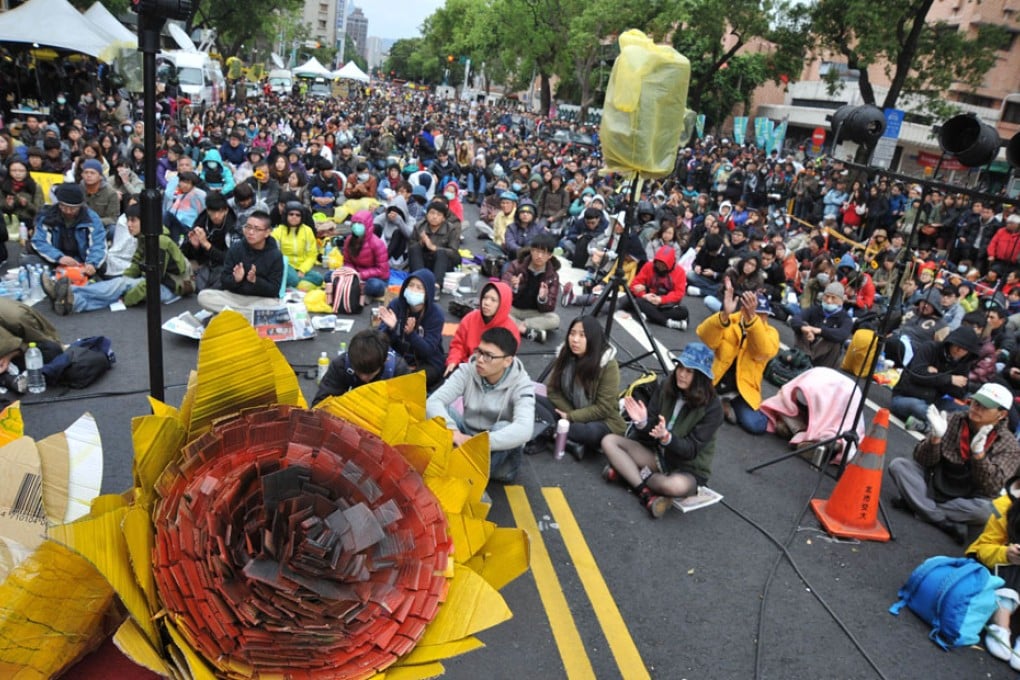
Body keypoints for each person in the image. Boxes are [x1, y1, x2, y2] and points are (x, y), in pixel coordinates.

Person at [600, 342, 724, 518]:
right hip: (658, 455)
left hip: (687, 468)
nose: (681, 374)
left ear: (701, 377)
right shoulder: (667, 385)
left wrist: (666, 437)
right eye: (680, 367)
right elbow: (650, 428)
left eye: (689, 372)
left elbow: (691, 450)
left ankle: (628, 473)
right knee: (609, 441)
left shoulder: (713, 408)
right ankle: (644, 491)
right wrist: (642, 422)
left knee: (672, 486)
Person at [888, 382, 1020, 544]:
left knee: (989, 511)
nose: (977, 408)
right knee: (899, 465)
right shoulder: (954, 419)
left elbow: (992, 487)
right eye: (976, 402)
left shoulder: (1009, 445)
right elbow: (922, 460)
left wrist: (978, 455)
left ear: (1002, 414)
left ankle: (918, 506)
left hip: (968, 498)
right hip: (935, 482)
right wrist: (934, 439)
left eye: (985, 407)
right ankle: (942, 521)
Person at [426, 327, 535, 484]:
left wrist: (479, 443)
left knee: (503, 426)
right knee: (439, 410)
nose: (480, 359)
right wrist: (454, 432)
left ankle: (466, 476)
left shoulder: (522, 384)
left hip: (498, 456)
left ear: (507, 361)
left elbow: (524, 429)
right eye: (479, 351)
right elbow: (433, 402)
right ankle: (460, 468)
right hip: (467, 436)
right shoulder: (468, 370)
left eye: (489, 356)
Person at [697, 283, 780, 433]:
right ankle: (719, 403)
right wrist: (723, 314)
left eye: (763, 314)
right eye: (756, 313)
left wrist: (752, 322)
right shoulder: (730, 321)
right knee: (691, 402)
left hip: (742, 390)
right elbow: (706, 338)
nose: (760, 318)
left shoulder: (770, 333)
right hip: (716, 380)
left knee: (756, 425)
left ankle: (723, 403)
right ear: (742, 310)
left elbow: (762, 352)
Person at [541, 316, 626, 460]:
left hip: (601, 420)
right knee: (531, 400)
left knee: (590, 432)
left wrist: (571, 417)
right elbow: (553, 390)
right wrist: (569, 413)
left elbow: (603, 408)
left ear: (592, 338)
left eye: (582, 335)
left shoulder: (608, 365)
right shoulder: (565, 353)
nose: (575, 340)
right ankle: (566, 440)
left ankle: (547, 431)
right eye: (572, 333)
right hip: (569, 409)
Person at [966, 474, 1020, 668]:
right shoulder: (1004, 505)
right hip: (992, 567)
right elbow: (982, 549)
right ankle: (1001, 627)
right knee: (1014, 563)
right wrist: (1006, 553)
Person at [891, 325, 983, 432]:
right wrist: (948, 379)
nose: (959, 351)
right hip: (906, 397)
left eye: (964, 350)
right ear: (950, 343)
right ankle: (938, 427)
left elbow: (960, 391)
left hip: (934, 402)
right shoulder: (930, 348)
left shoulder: (963, 363)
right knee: (919, 407)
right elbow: (916, 374)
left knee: (965, 412)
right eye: (957, 346)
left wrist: (936, 376)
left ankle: (928, 426)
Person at [196, 210, 284, 314]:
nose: (250, 232)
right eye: (248, 227)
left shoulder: (275, 255)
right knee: (203, 296)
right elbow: (224, 280)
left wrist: (256, 280)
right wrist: (235, 279)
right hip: (234, 297)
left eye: (257, 229)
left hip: (260, 299)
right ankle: (248, 316)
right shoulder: (236, 248)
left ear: (267, 232)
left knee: (274, 305)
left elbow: (274, 290)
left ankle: (231, 314)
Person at [378, 269, 445, 390]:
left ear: (428, 292)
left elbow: (428, 350)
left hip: (427, 361)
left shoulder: (436, 314)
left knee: (413, 381)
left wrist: (411, 334)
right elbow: (380, 340)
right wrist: (393, 328)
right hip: (398, 357)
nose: (414, 290)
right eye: (411, 285)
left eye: (419, 287)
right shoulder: (396, 304)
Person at [311, 329, 411, 406]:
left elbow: (411, 411)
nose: (363, 378)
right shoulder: (341, 365)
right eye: (359, 372)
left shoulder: (399, 371)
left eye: (370, 374)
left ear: (385, 361)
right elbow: (320, 404)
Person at [445, 281, 519, 376]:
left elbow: (503, 362)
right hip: (465, 366)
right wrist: (453, 361)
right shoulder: (470, 318)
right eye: (485, 297)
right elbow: (458, 345)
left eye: (493, 300)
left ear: (503, 303)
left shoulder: (511, 330)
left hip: (492, 374)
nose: (486, 303)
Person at [32, 182, 106, 276]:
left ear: (80, 206)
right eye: (63, 207)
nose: (68, 211)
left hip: (81, 260)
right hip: (55, 259)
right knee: (29, 260)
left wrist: (92, 263)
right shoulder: (47, 216)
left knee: (102, 266)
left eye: (73, 208)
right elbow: (39, 241)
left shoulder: (91, 218)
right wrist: (59, 257)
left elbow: (98, 244)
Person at [502, 233, 561, 343]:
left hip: (533, 313)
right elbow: (502, 291)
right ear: (531, 251)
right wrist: (514, 287)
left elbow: (550, 307)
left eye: (544, 253)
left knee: (554, 319)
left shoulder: (553, 276)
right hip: (513, 308)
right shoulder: (517, 265)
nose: (539, 256)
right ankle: (526, 330)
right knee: (496, 308)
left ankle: (518, 326)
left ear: (550, 256)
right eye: (537, 251)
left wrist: (543, 298)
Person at [790, 281, 854, 368]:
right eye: (827, 296)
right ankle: (805, 358)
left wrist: (819, 331)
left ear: (841, 301)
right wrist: (806, 329)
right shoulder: (815, 309)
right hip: (808, 347)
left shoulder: (845, 318)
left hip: (826, 360)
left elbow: (843, 334)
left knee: (834, 339)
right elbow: (795, 319)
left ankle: (806, 359)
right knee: (802, 326)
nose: (829, 301)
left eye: (833, 298)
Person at [408, 200, 461, 300]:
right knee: (415, 248)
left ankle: (435, 287)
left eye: (438, 214)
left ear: (444, 218)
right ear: (427, 214)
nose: (434, 217)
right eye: (432, 213)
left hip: (442, 264)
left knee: (441, 252)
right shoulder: (419, 226)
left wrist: (434, 248)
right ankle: (420, 282)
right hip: (423, 262)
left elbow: (454, 253)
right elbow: (410, 247)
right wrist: (422, 243)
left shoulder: (451, 229)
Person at [629, 244, 689, 330]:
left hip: (666, 304)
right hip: (649, 300)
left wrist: (662, 300)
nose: (660, 267)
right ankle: (667, 322)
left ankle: (649, 315)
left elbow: (679, 293)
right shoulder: (649, 266)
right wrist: (644, 295)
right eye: (658, 263)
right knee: (638, 301)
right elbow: (634, 285)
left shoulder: (680, 272)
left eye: (663, 265)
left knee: (683, 312)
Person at [271, 201, 323, 290]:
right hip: (284, 266)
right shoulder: (277, 231)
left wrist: (303, 269)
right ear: (286, 215)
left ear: (302, 217)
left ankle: (289, 284)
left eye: (297, 215)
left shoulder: (307, 231)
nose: (294, 217)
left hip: (301, 267)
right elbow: (275, 256)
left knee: (319, 279)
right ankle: (292, 282)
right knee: (293, 280)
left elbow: (312, 254)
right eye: (291, 214)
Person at [341, 210, 389, 300]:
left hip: (375, 278)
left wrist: (361, 275)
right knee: (330, 275)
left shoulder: (377, 243)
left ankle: (355, 291)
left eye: (360, 223)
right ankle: (358, 291)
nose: (356, 226)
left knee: (374, 285)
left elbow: (382, 270)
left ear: (367, 225)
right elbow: (347, 262)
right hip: (356, 275)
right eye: (354, 223)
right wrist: (351, 272)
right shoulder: (349, 240)